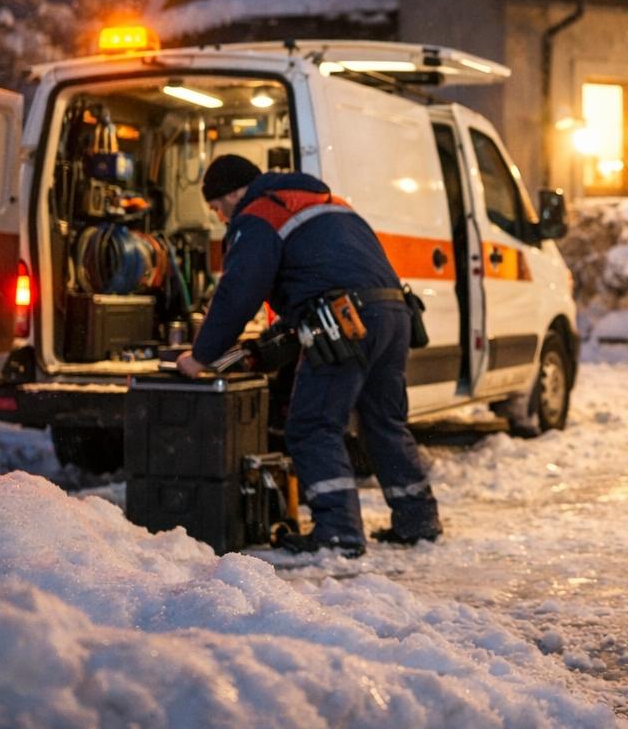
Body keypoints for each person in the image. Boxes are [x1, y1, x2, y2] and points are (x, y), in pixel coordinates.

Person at [177, 154, 442, 557]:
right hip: (393, 314)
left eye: (217, 206)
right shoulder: (328, 203)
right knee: (384, 421)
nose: (219, 218)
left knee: (313, 426)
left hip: (344, 320)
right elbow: (325, 278)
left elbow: (239, 291)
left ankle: (338, 533)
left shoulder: (259, 214)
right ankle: (418, 519)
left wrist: (201, 356)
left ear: (234, 192)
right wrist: (266, 346)